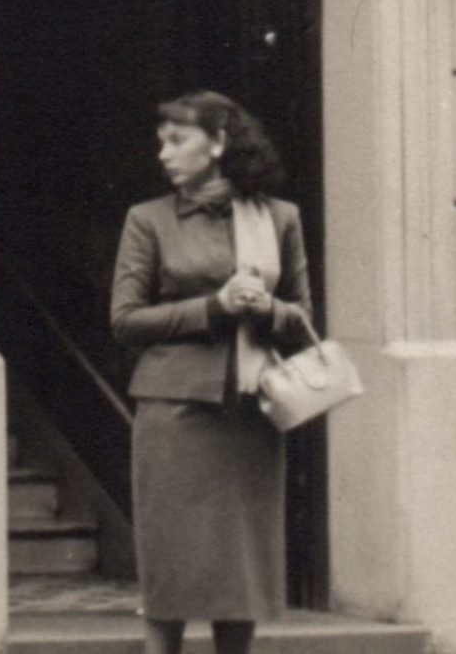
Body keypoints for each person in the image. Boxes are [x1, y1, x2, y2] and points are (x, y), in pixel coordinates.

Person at [111, 90, 312, 654]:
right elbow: (125, 321)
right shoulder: (147, 220)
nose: (164, 154)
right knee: (171, 568)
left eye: (178, 140)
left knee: (240, 574)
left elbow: (304, 319)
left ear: (220, 143)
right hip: (173, 412)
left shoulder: (279, 218)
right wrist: (213, 309)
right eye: (161, 142)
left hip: (250, 411)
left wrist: (267, 310)